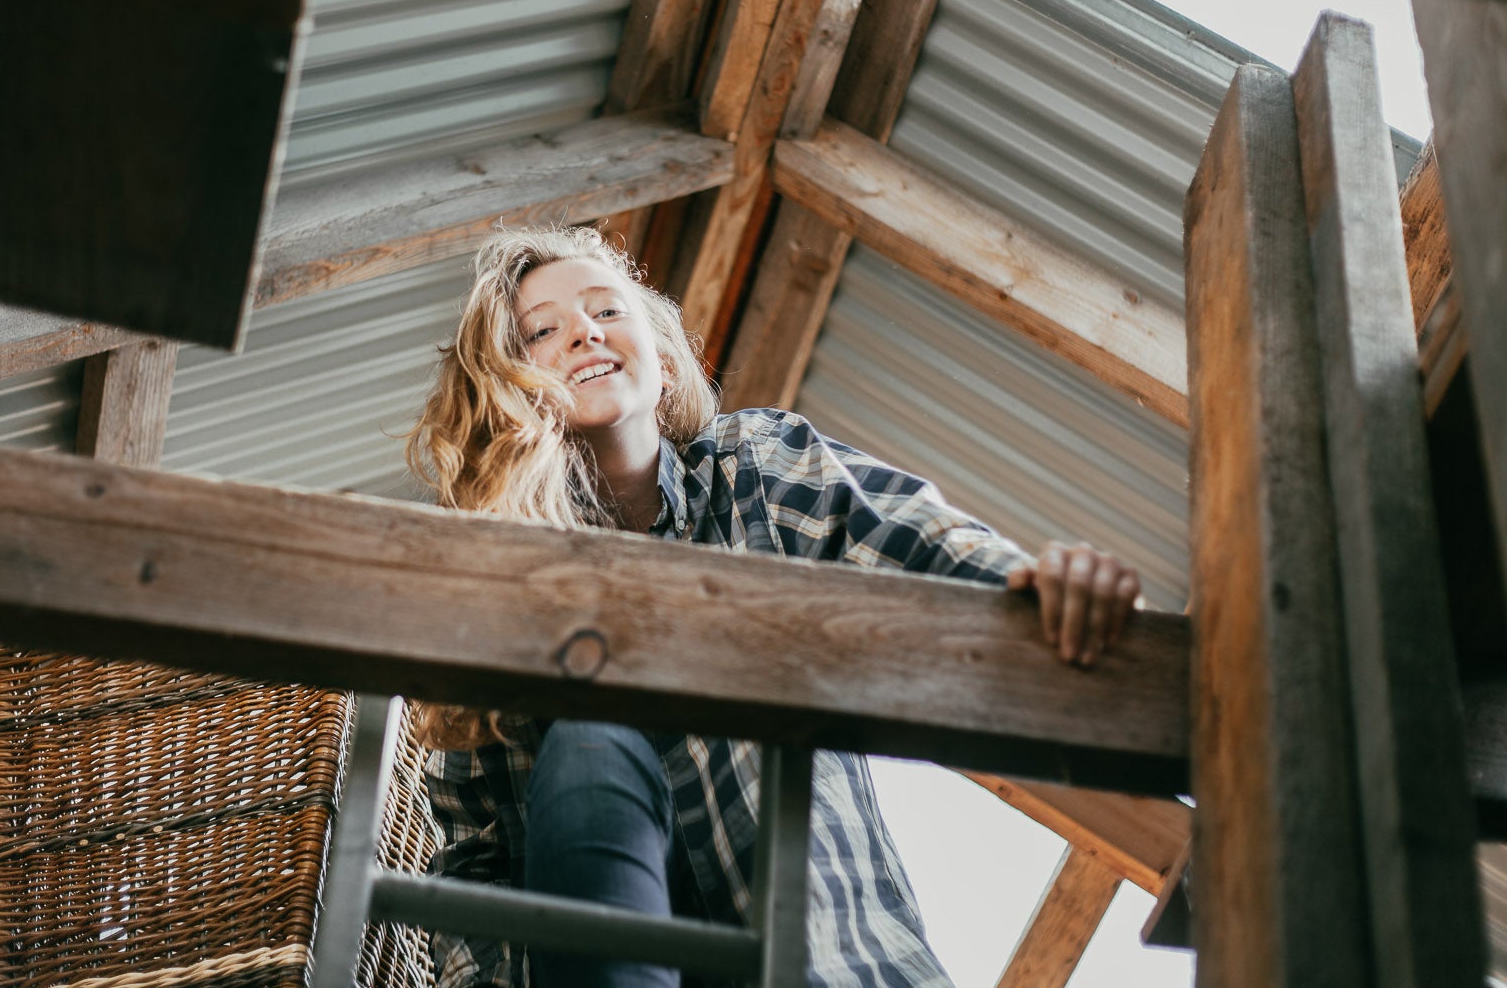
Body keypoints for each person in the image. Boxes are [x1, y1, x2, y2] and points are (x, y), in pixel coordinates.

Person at [405, 226, 1142, 988]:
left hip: (825, 963)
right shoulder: (496, 582)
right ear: (510, 391)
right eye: (543, 331)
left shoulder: (752, 466)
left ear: (661, 368)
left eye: (608, 311)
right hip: (594, 958)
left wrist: (1034, 582)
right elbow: (473, 861)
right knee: (589, 741)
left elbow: (907, 535)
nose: (585, 331)